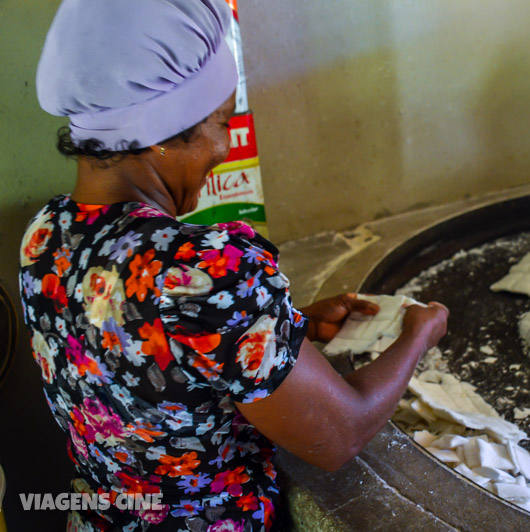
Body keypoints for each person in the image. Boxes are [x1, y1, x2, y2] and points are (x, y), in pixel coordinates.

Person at [20, 1, 449, 530]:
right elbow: (340, 434)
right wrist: (417, 336)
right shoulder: (209, 267)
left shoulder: (45, 235)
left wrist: (291, 327)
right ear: (162, 131)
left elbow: (144, 352)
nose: (224, 147)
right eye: (220, 122)